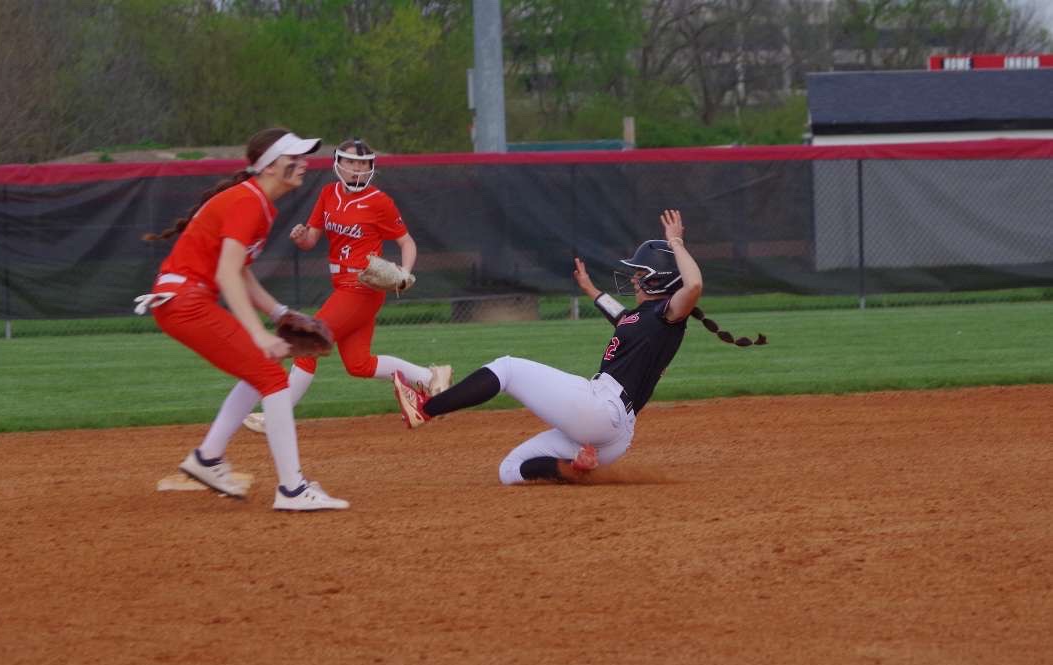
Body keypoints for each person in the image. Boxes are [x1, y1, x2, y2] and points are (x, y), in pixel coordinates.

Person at [393, 209, 763, 484]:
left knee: (507, 368)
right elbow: (622, 318)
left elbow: (694, 286)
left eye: (639, 272)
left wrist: (676, 242)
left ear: (658, 279)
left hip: (603, 408)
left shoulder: (670, 314)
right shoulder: (645, 317)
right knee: (509, 471)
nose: (633, 277)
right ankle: (570, 469)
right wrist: (589, 289)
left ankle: (426, 408)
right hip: (613, 437)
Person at [136, 127, 349, 511]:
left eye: (303, 156)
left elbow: (242, 272)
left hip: (182, 300)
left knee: (262, 369)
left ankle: (207, 459)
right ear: (269, 167)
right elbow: (227, 273)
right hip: (185, 301)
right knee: (271, 377)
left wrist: (279, 312)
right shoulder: (249, 202)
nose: (303, 163)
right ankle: (292, 490)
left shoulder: (258, 204)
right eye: (293, 157)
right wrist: (258, 332)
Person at [242, 137, 451, 433]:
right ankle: (430, 377)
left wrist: (405, 272)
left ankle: (277, 415)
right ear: (338, 163)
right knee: (359, 365)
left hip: (362, 287)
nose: (357, 168)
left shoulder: (379, 201)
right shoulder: (328, 194)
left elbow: (407, 242)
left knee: (308, 342)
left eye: (363, 164)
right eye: (352, 162)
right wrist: (301, 236)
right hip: (342, 285)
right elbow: (311, 240)